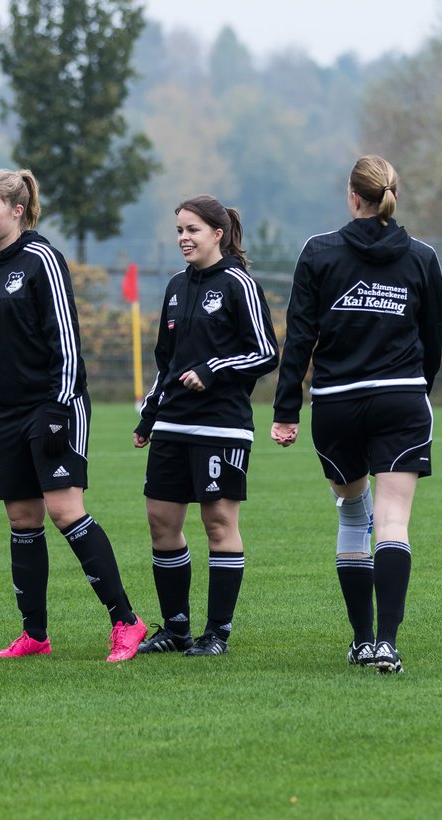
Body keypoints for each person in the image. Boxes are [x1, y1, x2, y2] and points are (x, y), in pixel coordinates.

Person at [270, 155, 442, 675]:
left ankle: (363, 641)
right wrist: (419, 388)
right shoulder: (421, 256)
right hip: (401, 400)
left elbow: (299, 336)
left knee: (353, 516)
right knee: (393, 523)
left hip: (336, 404)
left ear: (352, 196)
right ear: (393, 194)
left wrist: (286, 411)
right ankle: (388, 645)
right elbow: (432, 335)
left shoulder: (319, 252)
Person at [0, 167, 147, 662]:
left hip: (53, 407)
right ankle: (35, 635)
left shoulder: (42, 258)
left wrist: (57, 409)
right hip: (6, 411)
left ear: (16, 210)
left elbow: (67, 340)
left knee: (66, 511)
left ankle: (128, 623)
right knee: (22, 518)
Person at [132, 195, 279, 656]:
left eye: (192, 230)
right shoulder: (176, 286)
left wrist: (214, 369)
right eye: (179, 230)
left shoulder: (238, 284)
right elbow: (165, 360)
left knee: (218, 523)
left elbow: (266, 352)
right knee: (161, 521)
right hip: (173, 423)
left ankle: (217, 633)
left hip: (222, 426)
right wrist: (150, 415)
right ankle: (176, 630)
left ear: (218, 234)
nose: (183, 239)